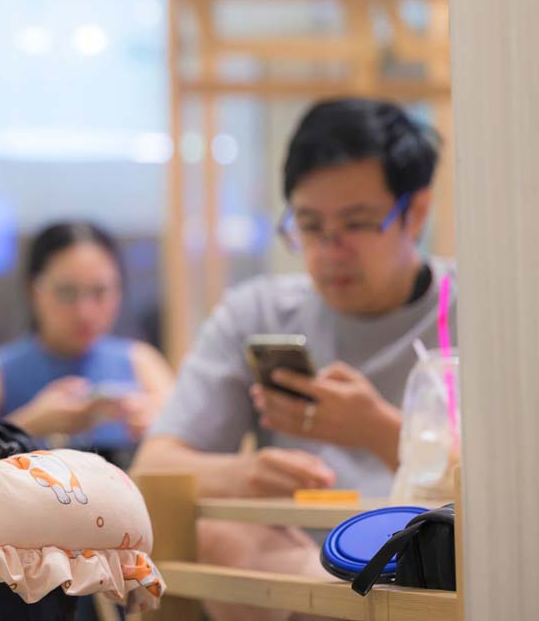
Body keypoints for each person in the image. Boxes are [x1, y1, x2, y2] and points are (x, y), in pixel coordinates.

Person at [133, 98, 454, 621]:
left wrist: (378, 431)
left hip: (436, 565)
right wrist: (245, 474)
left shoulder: (475, 312)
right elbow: (156, 465)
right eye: (309, 225)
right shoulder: (257, 312)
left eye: (356, 223)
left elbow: (505, 487)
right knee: (217, 532)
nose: (329, 250)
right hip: (297, 562)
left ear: (415, 212)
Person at [0, 222, 174, 466]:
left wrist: (160, 429)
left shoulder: (142, 362)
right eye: (67, 293)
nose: (85, 312)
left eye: (100, 292)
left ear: (119, 291)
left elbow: (184, 447)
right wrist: (29, 426)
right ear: (33, 291)